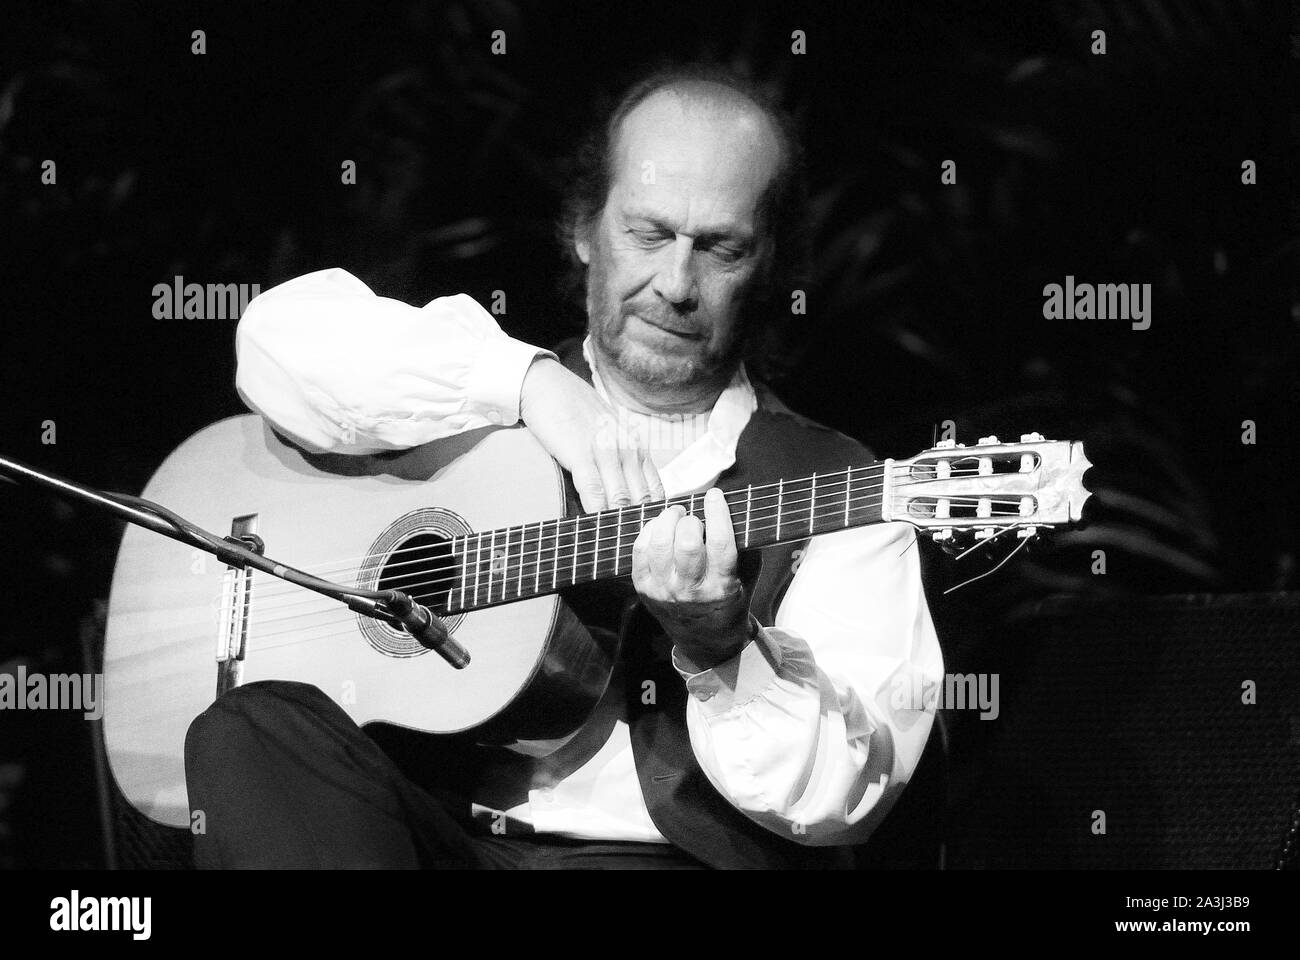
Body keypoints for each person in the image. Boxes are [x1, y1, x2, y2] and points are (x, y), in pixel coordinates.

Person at [185, 65, 945, 870]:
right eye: (648, 233)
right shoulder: (475, 399)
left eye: (720, 248)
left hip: (646, 862)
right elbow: (275, 342)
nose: (675, 285)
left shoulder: (841, 486)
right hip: (415, 837)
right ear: (585, 229)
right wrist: (526, 383)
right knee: (249, 727)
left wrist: (722, 644)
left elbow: (840, 798)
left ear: (769, 269)